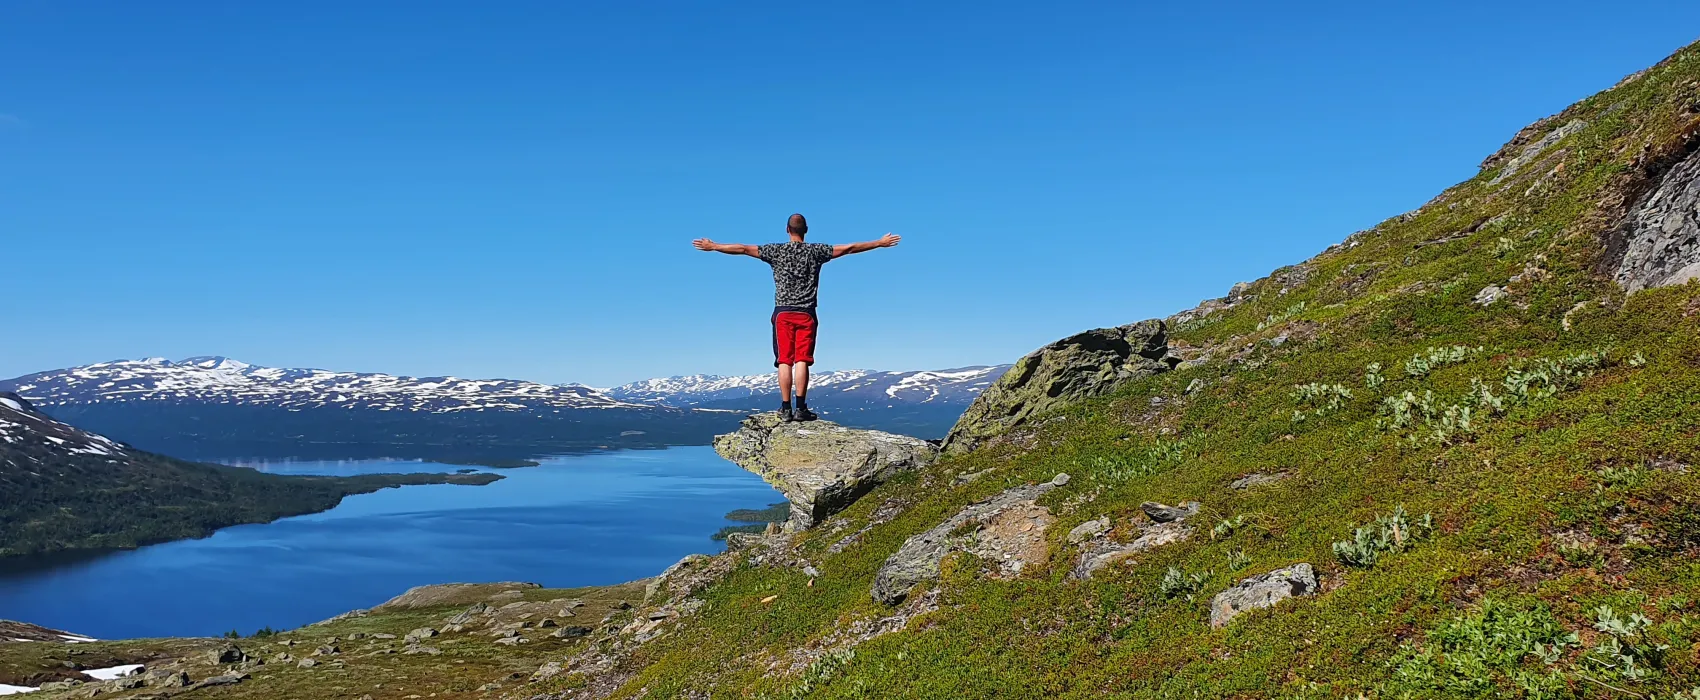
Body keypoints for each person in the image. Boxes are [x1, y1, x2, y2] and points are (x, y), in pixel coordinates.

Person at [693, 213, 901, 422]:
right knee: (802, 360)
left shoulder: (775, 251)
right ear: (806, 230)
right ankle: (801, 408)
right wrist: (879, 243)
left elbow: (743, 249)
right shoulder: (816, 251)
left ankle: (785, 408)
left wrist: (714, 246)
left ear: (787, 230)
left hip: (783, 313)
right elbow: (849, 248)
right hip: (806, 313)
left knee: (784, 360)